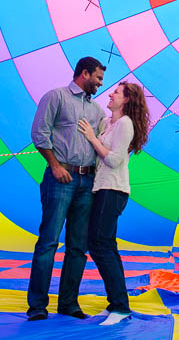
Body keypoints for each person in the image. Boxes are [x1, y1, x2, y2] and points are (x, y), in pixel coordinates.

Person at [27, 56, 106, 321]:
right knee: (49, 241)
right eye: (98, 78)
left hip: (87, 181)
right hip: (61, 177)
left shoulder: (97, 111)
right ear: (85, 74)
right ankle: (37, 306)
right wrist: (55, 165)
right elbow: (39, 133)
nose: (100, 84)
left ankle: (68, 303)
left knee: (77, 247)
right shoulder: (56, 97)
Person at [77, 81, 150, 326]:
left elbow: (115, 160)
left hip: (113, 190)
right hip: (101, 188)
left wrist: (91, 138)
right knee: (106, 245)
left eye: (116, 92)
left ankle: (120, 306)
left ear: (127, 100)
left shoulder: (125, 124)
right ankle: (116, 303)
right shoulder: (107, 123)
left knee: (98, 244)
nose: (110, 93)